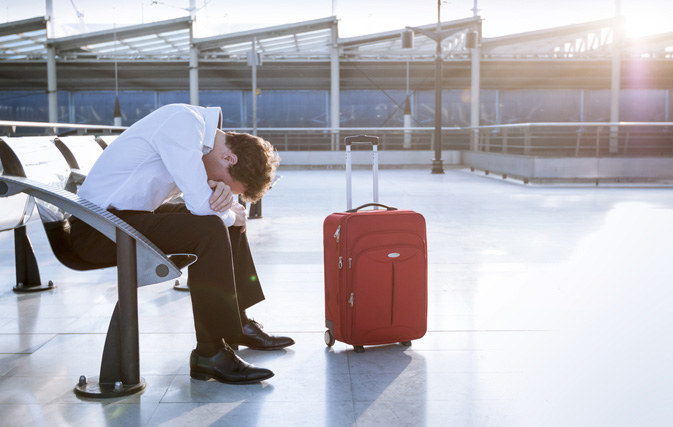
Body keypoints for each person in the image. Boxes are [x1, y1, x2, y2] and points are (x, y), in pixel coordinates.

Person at [69, 103, 294, 385]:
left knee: (224, 220)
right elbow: (201, 205)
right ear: (229, 158)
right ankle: (210, 353)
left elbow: (202, 203)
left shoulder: (199, 135)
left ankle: (238, 323)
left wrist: (229, 212)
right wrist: (228, 213)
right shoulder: (184, 125)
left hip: (123, 219)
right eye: (221, 181)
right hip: (96, 229)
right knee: (212, 226)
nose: (214, 182)